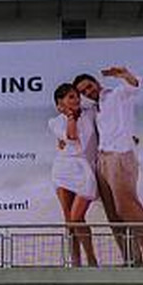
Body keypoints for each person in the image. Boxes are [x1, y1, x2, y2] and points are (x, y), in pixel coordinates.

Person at [73, 67, 143, 266]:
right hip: (102, 160)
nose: (88, 92)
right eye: (83, 91)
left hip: (120, 156)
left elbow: (134, 85)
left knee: (128, 208)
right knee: (113, 214)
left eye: (89, 86)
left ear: (96, 83)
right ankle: (131, 259)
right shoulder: (93, 109)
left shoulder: (116, 96)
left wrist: (123, 74)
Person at [48, 83, 99, 267]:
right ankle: (75, 262)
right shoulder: (54, 122)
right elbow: (70, 136)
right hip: (63, 170)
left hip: (84, 168)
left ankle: (91, 258)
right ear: (60, 103)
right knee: (69, 219)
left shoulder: (89, 113)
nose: (76, 99)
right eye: (70, 97)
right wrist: (70, 117)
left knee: (77, 217)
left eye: (76, 96)